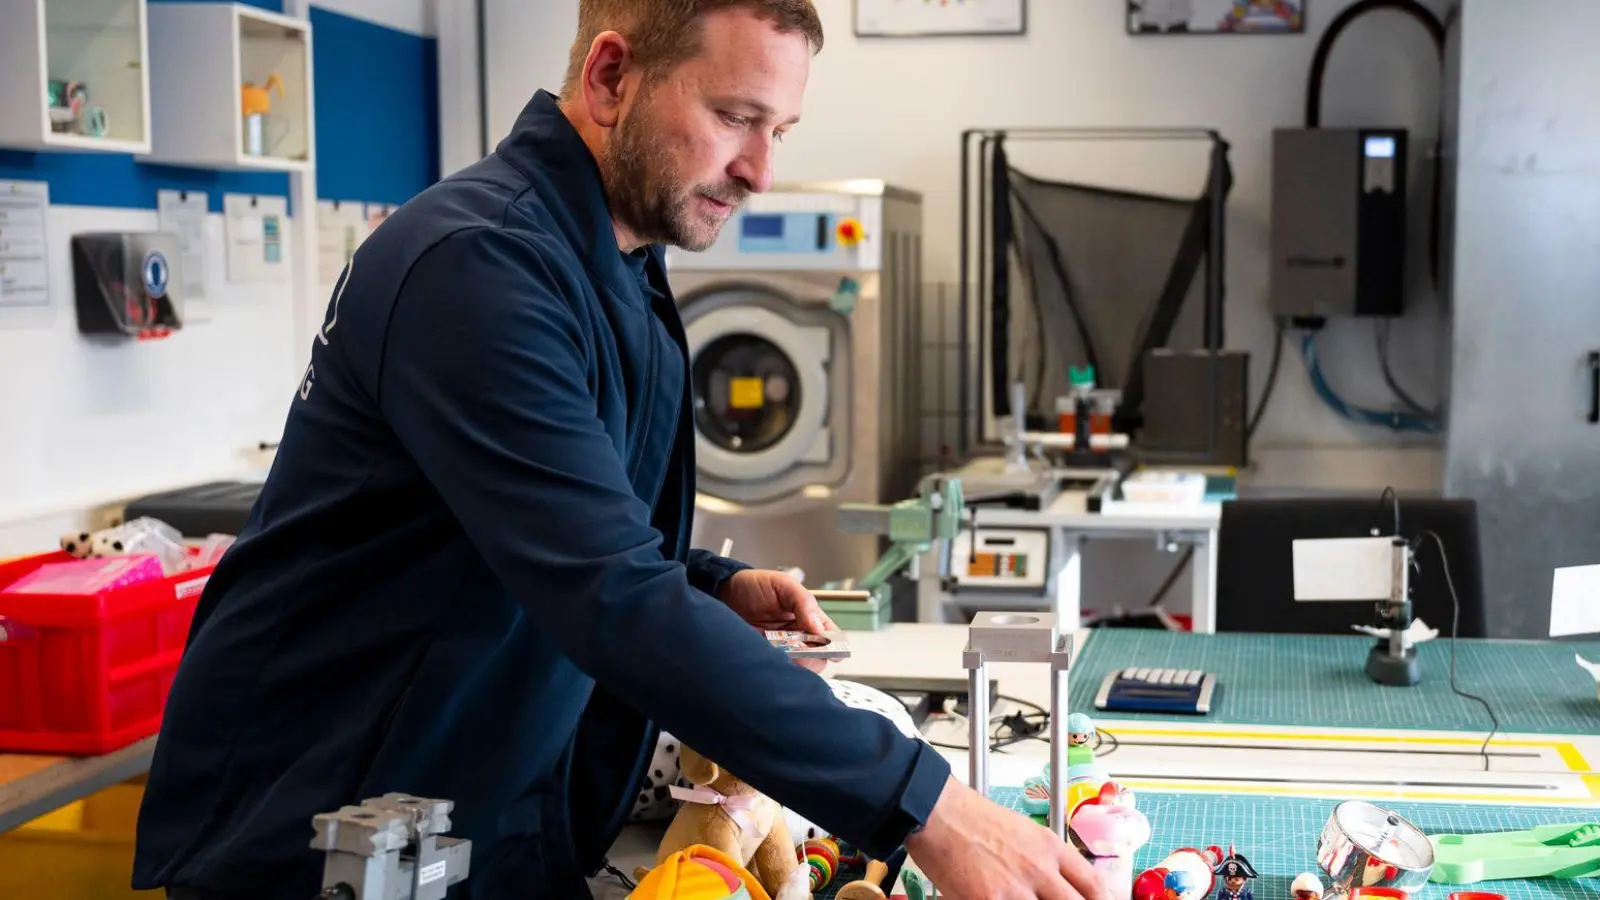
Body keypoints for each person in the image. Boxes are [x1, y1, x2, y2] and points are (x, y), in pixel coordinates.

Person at [130, 2, 1110, 899]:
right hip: (327, 827)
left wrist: (710, 579)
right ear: (610, 78)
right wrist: (927, 805)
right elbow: (608, 596)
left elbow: (554, 523)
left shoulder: (615, 264)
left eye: (781, 131)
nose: (761, 169)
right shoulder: (476, 267)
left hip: (488, 805)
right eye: (736, 116)